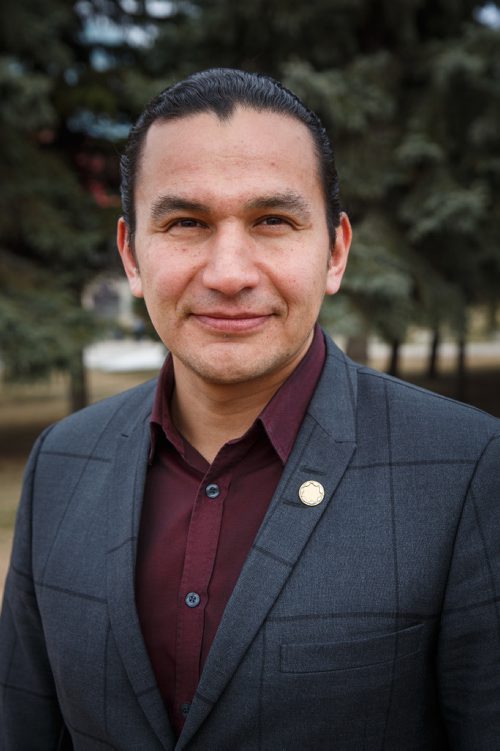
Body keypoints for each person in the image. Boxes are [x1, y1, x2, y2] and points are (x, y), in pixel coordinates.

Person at [0, 68, 499, 751]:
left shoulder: (469, 470)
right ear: (130, 255)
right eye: (185, 222)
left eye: (272, 220)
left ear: (336, 251)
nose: (229, 273)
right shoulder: (61, 461)